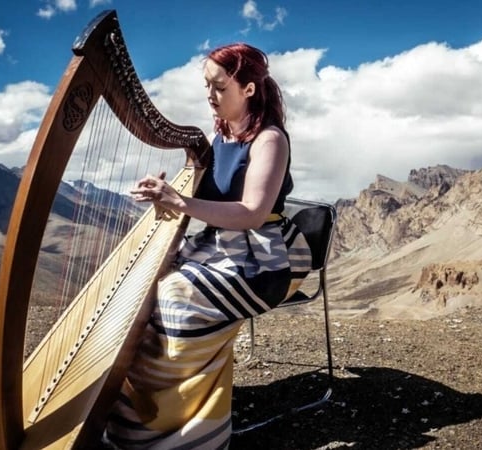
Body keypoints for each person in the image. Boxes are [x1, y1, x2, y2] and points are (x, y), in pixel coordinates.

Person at [103, 43, 312, 449]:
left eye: (219, 86)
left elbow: (252, 212)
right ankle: (148, 410)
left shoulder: (270, 139)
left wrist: (180, 201)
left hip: (264, 255)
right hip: (219, 243)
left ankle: (182, 429)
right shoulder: (221, 133)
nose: (210, 95)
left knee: (175, 299)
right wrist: (167, 193)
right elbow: (209, 195)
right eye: (207, 86)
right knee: (145, 284)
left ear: (249, 89)